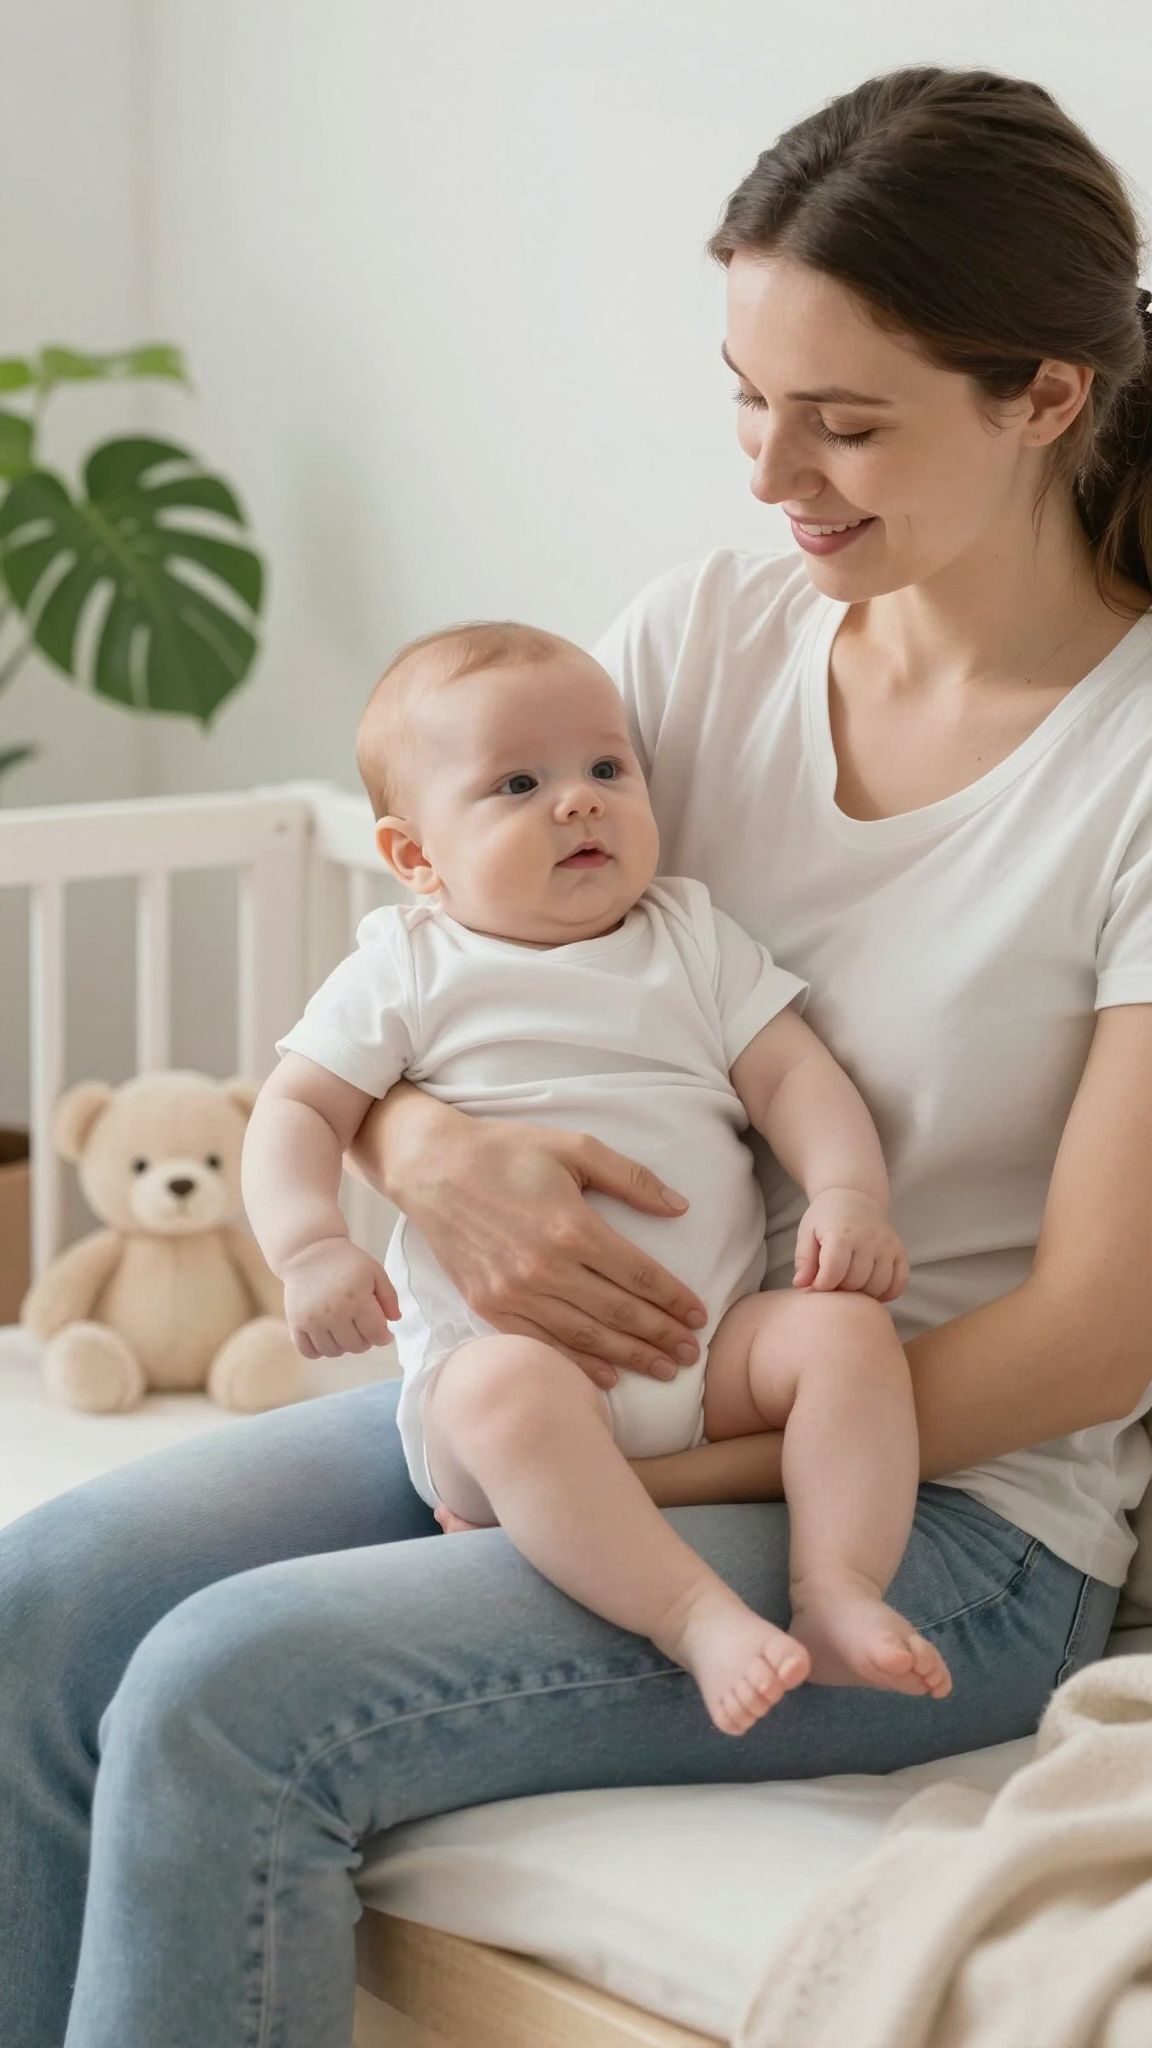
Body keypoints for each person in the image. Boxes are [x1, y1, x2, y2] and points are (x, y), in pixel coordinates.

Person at [3, 61, 1152, 2048]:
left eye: (846, 422)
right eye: (747, 395)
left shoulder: (1127, 763)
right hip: (564, 1386)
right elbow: (486, 949)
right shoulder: (712, 637)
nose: (772, 473)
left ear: (1045, 395)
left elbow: (1098, 1333)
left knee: (224, 1696)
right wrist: (429, 1146)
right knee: (45, 1601)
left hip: (937, 1515)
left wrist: (622, 1463)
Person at [243, 621, 950, 1736]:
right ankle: (693, 1615)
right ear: (416, 855)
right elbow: (296, 1108)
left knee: (845, 1334)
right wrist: (309, 1245)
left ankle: (837, 1588)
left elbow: (794, 1078)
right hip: (518, 1380)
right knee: (502, 1393)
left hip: (706, 1355)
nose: (580, 801)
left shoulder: (689, 935)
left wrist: (847, 1193)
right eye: (519, 783)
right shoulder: (408, 965)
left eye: (606, 769)